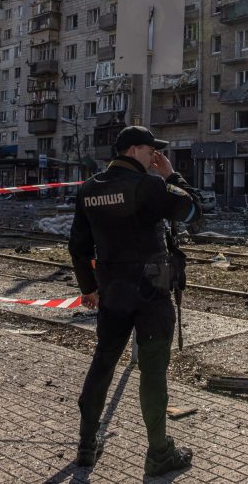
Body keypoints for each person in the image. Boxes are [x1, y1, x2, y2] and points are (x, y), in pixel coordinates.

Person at [69, 125, 200, 476]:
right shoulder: (148, 185)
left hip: (113, 293)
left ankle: (85, 445)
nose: (154, 157)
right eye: (150, 150)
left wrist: (88, 289)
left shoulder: (89, 189)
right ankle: (159, 452)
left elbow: (78, 247)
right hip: (151, 294)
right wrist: (172, 175)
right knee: (153, 373)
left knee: (103, 362)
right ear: (134, 150)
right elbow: (192, 212)